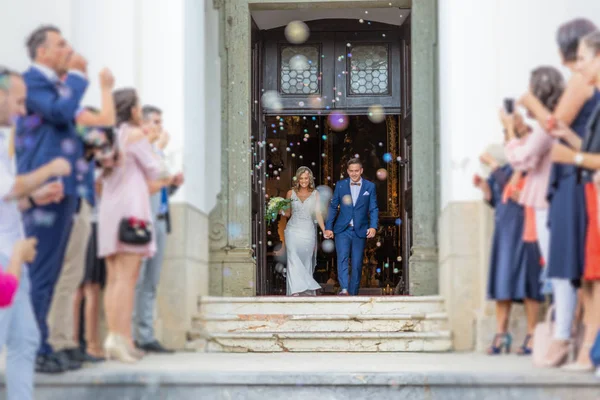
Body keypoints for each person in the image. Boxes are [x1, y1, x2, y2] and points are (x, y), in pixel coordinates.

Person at [519, 19, 600, 368]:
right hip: (573, 171)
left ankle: (572, 340)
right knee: (578, 266)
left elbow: (553, 126)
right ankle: (581, 341)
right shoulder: (581, 80)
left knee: (575, 265)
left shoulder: (580, 82)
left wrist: (530, 103)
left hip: (575, 175)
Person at [15, 25, 89, 373]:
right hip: (42, 191)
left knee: (52, 272)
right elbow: (59, 115)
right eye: (61, 44)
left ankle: (42, 342)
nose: (69, 49)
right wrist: (77, 78)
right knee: (41, 273)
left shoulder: (54, 88)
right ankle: (36, 347)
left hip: (63, 191)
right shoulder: (32, 83)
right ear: (42, 51)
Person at [0, 67, 71, 398]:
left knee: (25, 340)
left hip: (15, 254)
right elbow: (10, 187)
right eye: (18, 101)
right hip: (6, 259)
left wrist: (34, 198)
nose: (22, 110)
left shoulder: (4, 142)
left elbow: (8, 198)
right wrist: (51, 169)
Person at [98, 88, 177, 363]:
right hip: (132, 214)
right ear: (132, 110)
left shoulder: (111, 135)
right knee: (127, 280)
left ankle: (116, 338)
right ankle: (120, 339)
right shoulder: (135, 136)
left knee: (113, 280)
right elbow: (157, 172)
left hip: (109, 212)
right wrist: (162, 151)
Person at [47, 68, 115, 366]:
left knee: (75, 279)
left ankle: (69, 342)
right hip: (68, 204)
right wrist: (105, 88)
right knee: (70, 280)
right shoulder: (61, 125)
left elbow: (104, 148)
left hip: (83, 206)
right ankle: (60, 342)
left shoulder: (82, 143)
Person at [550, 30, 600, 371]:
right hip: (590, 191)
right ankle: (589, 351)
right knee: (589, 276)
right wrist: (569, 140)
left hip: (588, 187)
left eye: (583, 58)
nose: (577, 67)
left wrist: (571, 158)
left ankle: (585, 350)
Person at [476, 114, 543, 356]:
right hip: (504, 231)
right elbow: (498, 200)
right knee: (501, 282)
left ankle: (533, 334)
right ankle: (501, 334)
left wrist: (493, 167)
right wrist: (485, 188)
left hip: (526, 229)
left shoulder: (531, 166)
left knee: (528, 282)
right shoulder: (505, 168)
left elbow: (517, 194)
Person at [133, 105, 183, 352]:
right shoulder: (140, 151)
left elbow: (159, 189)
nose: (160, 128)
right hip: (141, 222)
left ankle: (146, 335)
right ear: (142, 124)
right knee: (136, 280)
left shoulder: (157, 153)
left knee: (151, 281)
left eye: (161, 122)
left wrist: (171, 185)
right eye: (155, 122)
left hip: (161, 219)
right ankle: (131, 334)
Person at [324, 158, 379, 296]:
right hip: (343, 229)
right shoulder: (341, 185)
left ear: (361, 170)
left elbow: (373, 208)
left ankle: (353, 294)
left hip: (360, 230)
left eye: (356, 171)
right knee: (342, 258)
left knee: (357, 263)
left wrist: (373, 227)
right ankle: (344, 289)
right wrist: (328, 227)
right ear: (347, 171)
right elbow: (333, 206)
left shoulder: (369, 187)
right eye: (351, 171)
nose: (354, 174)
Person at [283, 166, 325, 296]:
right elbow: (288, 213)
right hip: (292, 230)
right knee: (293, 256)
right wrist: (281, 211)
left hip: (308, 231)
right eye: (301, 178)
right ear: (297, 179)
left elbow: (318, 213)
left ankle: (306, 289)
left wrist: (324, 230)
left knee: (306, 259)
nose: (303, 181)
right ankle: (295, 289)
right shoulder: (290, 193)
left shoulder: (315, 194)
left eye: (306, 178)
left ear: (310, 179)